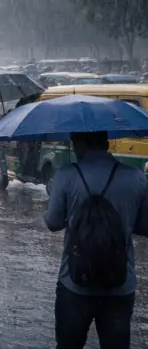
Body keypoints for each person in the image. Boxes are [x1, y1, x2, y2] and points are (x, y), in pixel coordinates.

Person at [44, 131, 148, 349]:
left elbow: (53, 223)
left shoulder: (66, 175)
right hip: (120, 285)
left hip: (74, 283)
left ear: (79, 144)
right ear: (107, 143)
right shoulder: (136, 177)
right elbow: (144, 227)